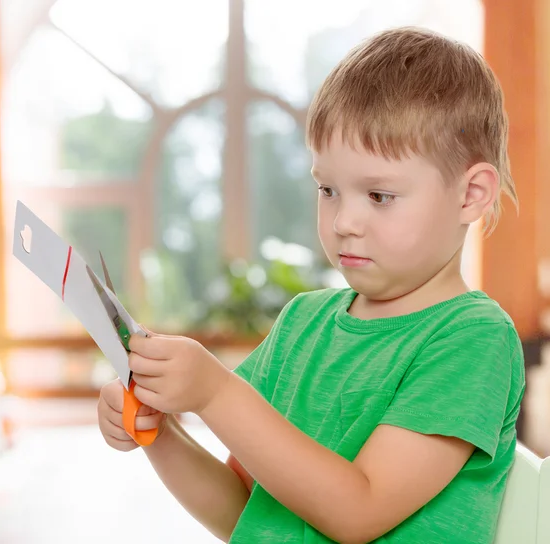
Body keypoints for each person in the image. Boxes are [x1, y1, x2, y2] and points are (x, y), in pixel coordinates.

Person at [97, 26, 525, 544]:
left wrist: (214, 392)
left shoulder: (472, 338)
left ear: (470, 195)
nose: (344, 220)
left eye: (380, 195)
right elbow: (241, 510)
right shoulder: (304, 322)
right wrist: (160, 435)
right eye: (328, 189)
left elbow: (359, 511)